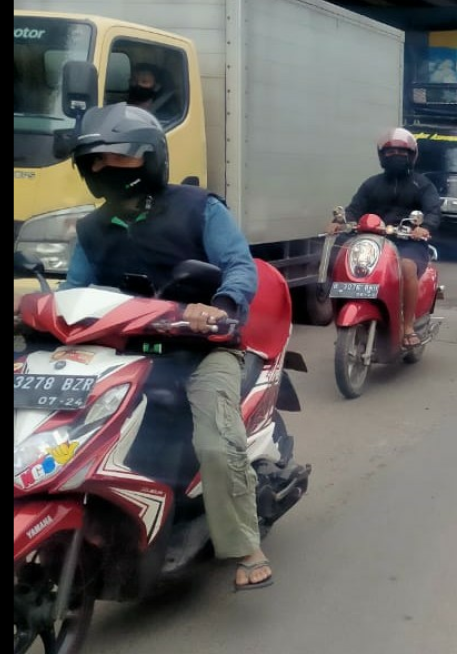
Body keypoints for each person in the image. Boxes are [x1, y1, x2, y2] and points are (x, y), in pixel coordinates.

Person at [62, 103, 275, 592]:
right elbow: (74, 293)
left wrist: (219, 305)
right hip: (123, 352)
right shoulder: (93, 230)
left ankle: (245, 543)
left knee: (216, 445)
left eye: (118, 159)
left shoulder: (199, 207)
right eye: (94, 162)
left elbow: (240, 266)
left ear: (151, 157)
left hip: (202, 349)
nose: (104, 171)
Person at [326, 128, 441, 347]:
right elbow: (354, 209)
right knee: (342, 263)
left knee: (407, 268)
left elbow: (433, 210)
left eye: (401, 151)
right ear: (381, 156)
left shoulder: (422, 184)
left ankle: (407, 326)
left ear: (412, 155)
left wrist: (425, 227)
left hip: (408, 243)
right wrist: (341, 222)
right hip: (373, 243)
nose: (395, 155)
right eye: (390, 152)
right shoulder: (372, 184)